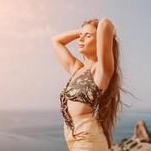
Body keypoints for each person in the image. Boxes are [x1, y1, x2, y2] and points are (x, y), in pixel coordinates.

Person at [51, 18, 124, 151]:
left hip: (88, 138)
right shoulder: (77, 68)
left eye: (87, 36)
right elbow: (56, 41)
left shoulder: (101, 69)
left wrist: (100, 33)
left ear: (99, 41)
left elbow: (105, 24)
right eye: (80, 36)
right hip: (73, 137)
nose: (80, 39)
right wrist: (84, 31)